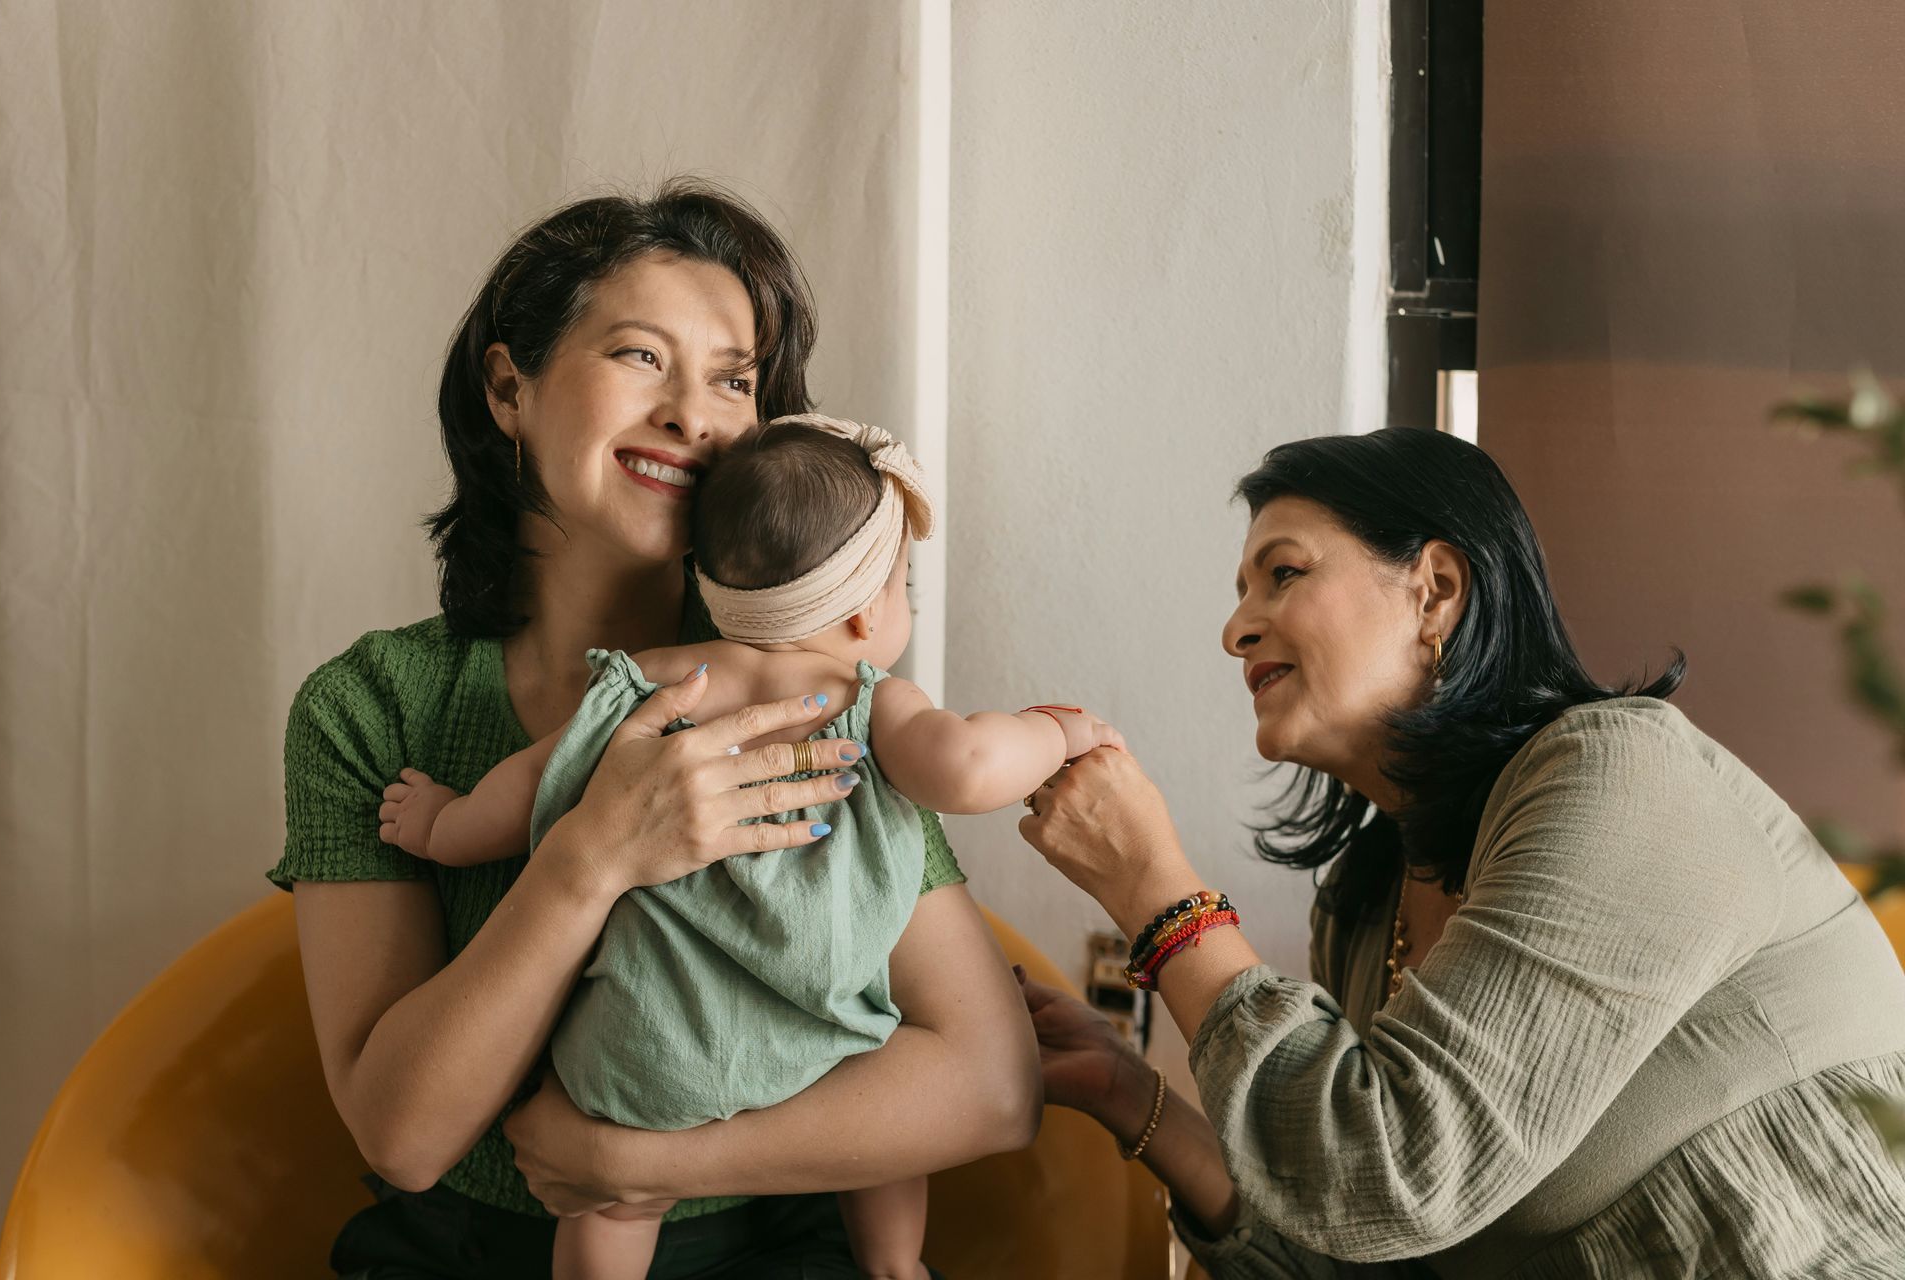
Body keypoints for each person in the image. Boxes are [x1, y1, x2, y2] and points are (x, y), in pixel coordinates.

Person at [270, 184, 1041, 1280]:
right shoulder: (371, 706)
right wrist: (592, 852)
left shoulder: (815, 695)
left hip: (777, 1241)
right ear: (509, 386)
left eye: (734, 378)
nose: (694, 413)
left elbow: (993, 1086)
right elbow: (404, 1134)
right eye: (641, 356)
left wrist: (632, 1156)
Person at [1016, 428, 1905, 1278]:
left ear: (1435, 589)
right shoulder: (1368, 904)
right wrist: (1127, 1090)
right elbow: (1366, 1243)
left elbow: (1390, 1169)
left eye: (1282, 574)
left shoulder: (1621, 773)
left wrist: (1155, 890)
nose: (1235, 630)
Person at [377, 414, 1118, 1280]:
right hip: (828, 1042)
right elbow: (971, 765)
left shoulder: (649, 683)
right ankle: (894, 1268)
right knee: (885, 1150)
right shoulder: (868, 702)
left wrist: (441, 823)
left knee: (615, 1205)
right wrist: (1057, 730)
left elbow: (531, 787)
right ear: (863, 610)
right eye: (902, 587)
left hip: (649, 1048)